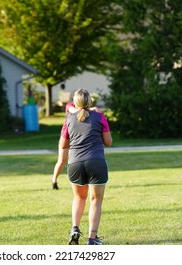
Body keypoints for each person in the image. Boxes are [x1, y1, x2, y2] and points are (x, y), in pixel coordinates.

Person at [59, 89, 112, 245]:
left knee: (79, 197)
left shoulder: (68, 119)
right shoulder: (99, 117)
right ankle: (92, 239)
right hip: (96, 161)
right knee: (95, 200)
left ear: (75, 103)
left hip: (75, 163)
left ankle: (75, 228)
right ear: (90, 102)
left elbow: (63, 145)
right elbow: (108, 142)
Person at [51, 102, 101, 190]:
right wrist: (90, 109)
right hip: (67, 137)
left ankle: (86, 182)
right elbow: (74, 111)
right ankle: (54, 180)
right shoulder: (70, 105)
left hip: (79, 137)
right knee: (62, 160)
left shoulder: (88, 110)